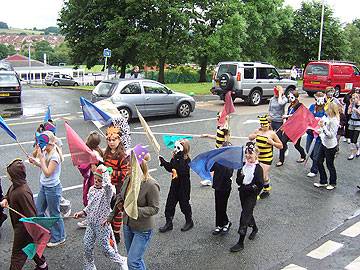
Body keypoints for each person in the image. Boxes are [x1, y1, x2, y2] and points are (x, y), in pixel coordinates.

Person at [108, 153, 160, 270]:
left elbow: (155, 208)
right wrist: (110, 217)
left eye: (130, 167)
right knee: (136, 259)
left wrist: (134, 210)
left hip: (143, 229)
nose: (127, 169)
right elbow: (121, 198)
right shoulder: (129, 178)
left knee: (132, 262)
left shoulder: (151, 185)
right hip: (127, 225)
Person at [74, 165, 128, 270]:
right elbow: (90, 206)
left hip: (102, 225)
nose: (96, 182)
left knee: (106, 249)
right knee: (87, 246)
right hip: (91, 224)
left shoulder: (107, 192)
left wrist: (105, 174)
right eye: (95, 179)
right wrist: (82, 213)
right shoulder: (91, 190)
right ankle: (89, 266)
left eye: (99, 180)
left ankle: (122, 260)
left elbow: (108, 186)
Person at [0, 159, 48, 270]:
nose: (6, 175)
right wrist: (6, 199)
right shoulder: (15, 186)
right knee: (30, 247)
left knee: (17, 255)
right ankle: (43, 266)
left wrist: (31, 231)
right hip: (19, 226)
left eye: (8, 173)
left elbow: (31, 215)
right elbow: (9, 194)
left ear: (14, 175)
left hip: (24, 229)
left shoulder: (22, 192)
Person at [29, 131, 66, 247]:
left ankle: (59, 237)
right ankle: (48, 231)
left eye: (44, 143)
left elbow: (48, 172)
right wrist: (36, 161)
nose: (42, 145)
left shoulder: (55, 155)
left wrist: (41, 158)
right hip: (44, 186)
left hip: (53, 188)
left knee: (54, 213)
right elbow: (42, 164)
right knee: (39, 210)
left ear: (51, 143)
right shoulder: (46, 150)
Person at [230, 142, 264, 252]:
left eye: (251, 153)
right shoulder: (242, 166)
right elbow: (238, 181)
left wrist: (251, 188)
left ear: (256, 155)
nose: (248, 156)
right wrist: (241, 177)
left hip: (251, 195)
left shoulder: (258, 168)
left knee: (244, 216)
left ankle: (240, 242)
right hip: (242, 193)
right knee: (247, 212)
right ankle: (255, 228)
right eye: (246, 153)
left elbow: (260, 184)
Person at [158, 139, 194, 232]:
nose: (175, 149)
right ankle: (169, 223)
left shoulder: (186, 160)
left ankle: (189, 221)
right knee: (170, 204)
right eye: (175, 147)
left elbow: (182, 171)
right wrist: (164, 162)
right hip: (174, 184)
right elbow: (171, 168)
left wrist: (179, 157)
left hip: (184, 186)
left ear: (184, 149)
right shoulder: (175, 158)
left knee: (184, 204)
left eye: (178, 148)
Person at [103, 124, 130, 242]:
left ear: (119, 140)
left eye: (114, 139)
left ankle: (117, 232)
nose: (111, 142)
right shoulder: (106, 153)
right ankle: (109, 229)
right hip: (108, 185)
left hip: (118, 187)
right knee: (107, 209)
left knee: (117, 209)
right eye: (109, 139)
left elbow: (125, 174)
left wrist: (112, 172)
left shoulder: (123, 156)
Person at [248, 115, 283, 199]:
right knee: (264, 175)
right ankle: (266, 189)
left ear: (269, 124)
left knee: (261, 176)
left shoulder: (272, 134)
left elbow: (281, 146)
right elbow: (250, 138)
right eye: (261, 124)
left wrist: (273, 143)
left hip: (267, 157)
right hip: (257, 157)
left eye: (264, 124)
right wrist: (254, 136)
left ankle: (256, 193)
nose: (262, 126)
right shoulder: (257, 131)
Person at [77, 131, 104, 228]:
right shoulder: (99, 151)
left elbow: (91, 170)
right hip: (97, 179)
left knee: (91, 199)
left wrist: (83, 164)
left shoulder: (92, 154)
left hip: (93, 180)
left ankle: (91, 219)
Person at [277, 90, 306, 166]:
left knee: (297, 145)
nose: (289, 98)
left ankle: (303, 155)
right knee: (282, 142)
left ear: (296, 97)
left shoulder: (300, 105)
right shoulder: (291, 105)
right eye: (289, 96)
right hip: (289, 128)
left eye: (291, 96)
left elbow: (298, 115)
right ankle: (281, 160)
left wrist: (287, 116)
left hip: (297, 129)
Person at [200, 112, 230, 186]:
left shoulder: (226, 129)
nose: (217, 118)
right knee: (213, 164)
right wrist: (207, 135)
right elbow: (217, 137)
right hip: (216, 149)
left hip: (220, 151)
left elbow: (226, 141)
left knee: (212, 163)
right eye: (217, 117)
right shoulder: (220, 127)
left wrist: (222, 151)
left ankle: (209, 179)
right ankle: (210, 179)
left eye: (219, 117)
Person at [314, 102, 340, 190]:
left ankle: (333, 182)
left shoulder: (334, 121)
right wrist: (320, 128)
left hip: (331, 146)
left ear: (332, 110)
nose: (326, 110)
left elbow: (331, 135)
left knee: (330, 165)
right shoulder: (327, 117)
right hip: (324, 142)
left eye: (328, 109)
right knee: (318, 161)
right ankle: (323, 181)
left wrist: (323, 127)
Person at [210, 141, 233, 235]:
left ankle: (226, 223)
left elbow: (229, 174)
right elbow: (211, 168)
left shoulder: (231, 162)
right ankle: (219, 225)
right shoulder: (217, 160)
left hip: (226, 187)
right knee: (218, 206)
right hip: (217, 185)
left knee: (222, 206)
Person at [306, 92, 326, 178]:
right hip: (310, 133)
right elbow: (307, 116)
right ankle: (317, 162)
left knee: (316, 153)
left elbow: (326, 119)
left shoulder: (325, 109)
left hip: (319, 135)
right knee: (308, 150)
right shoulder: (312, 107)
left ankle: (314, 169)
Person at [347, 93, 360, 160]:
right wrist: (350, 108)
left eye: (355, 98)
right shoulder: (352, 104)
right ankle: (352, 153)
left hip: (358, 123)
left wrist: (357, 110)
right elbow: (348, 113)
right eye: (352, 98)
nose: (353, 100)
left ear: (358, 98)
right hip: (351, 123)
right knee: (351, 140)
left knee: (354, 139)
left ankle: (358, 149)